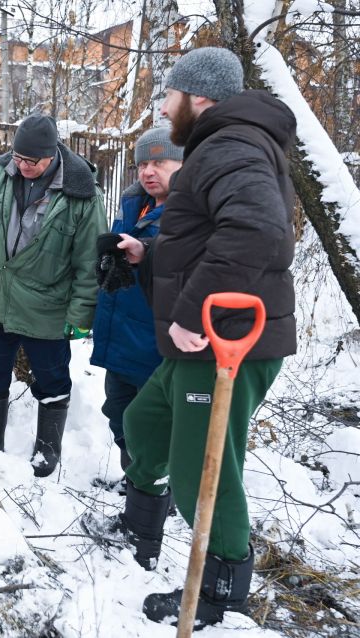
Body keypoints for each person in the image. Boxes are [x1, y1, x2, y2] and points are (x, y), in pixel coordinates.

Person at [111, 47, 296, 628]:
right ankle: (141, 525)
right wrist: (149, 254)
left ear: (198, 96)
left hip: (224, 341)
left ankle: (220, 590)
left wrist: (192, 314)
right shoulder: (224, 143)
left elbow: (257, 231)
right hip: (201, 340)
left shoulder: (230, 144)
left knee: (204, 469)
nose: (165, 109)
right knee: (145, 423)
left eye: (170, 96)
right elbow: (209, 237)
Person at [0, 112, 105, 477]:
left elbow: (90, 260)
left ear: (52, 155)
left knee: (52, 379)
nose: (23, 165)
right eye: (19, 157)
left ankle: (47, 452)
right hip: (0, 300)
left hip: (47, 307)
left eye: (32, 160)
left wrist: (81, 313)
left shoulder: (80, 194)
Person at [90, 128, 182, 472]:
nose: (148, 171)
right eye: (142, 164)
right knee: (119, 416)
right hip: (122, 342)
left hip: (157, 348)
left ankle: (155, 491)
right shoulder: (133, 204)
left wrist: (147, 253)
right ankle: (134, 483)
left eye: (159, 163)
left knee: (155, 429)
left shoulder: (192, 213)